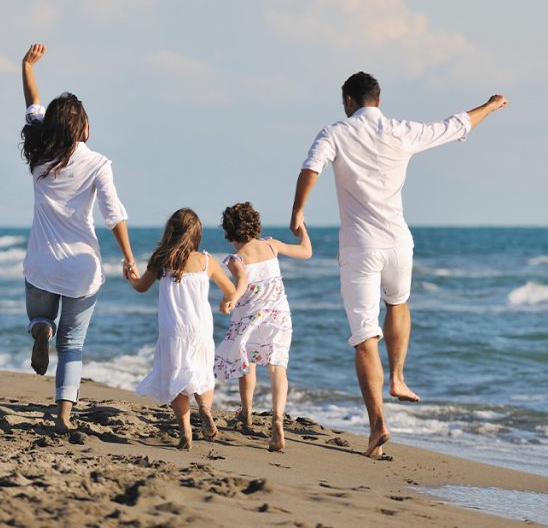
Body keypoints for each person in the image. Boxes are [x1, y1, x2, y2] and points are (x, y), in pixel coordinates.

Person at [289, 71, 508, 457]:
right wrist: (490, 106)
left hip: (360, 247)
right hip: (398, 243)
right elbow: (454, 125)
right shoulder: (402, 131)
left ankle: (377, 426)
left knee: (363, 337)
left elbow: (311, 169)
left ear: (349, 101)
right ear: (379, 99)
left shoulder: (335, 132)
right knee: (398, 303)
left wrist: (298, 212)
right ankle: (399, 377)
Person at [19, 43, 138, 434]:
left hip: (41, 263)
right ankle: (64, 414)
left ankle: (39, 329)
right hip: (82, 269)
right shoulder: (98, 163)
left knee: (42, 316)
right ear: (81, 126)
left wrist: (28, 65)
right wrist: (129, 257)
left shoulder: (38, 153)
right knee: (72, 345)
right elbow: (114, 215)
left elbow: (33, 102)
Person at [128, 208, 238, 450]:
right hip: (200, 330)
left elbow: (141, 287)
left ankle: (186, 431)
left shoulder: (161, 259)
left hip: (172, 331)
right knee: (202, 374)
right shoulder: (206, 261)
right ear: (197, 233)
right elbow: (231, 290)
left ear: (171, 231)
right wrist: (225, 302)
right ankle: (206, 410)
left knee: (176, 378)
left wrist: (130, 276)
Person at [214, 202, 312, 452]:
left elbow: (243, 281)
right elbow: (306, 252)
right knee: (278, 367)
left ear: (229, 232)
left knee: (248, 363)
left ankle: (246, 413)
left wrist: (231, 299)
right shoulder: (271, 245)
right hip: (279, 315)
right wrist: (302, 228)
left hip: (250, 315)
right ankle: (277, 420)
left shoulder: (236, 258)